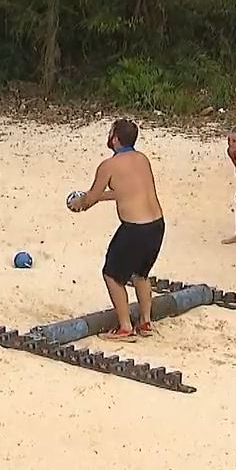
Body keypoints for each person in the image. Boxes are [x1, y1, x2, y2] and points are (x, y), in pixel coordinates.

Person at [69, 119, 165, 342]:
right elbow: (126, 191)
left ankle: (125, 328)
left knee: (111, 275)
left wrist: (79, 203)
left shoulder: (108, 166)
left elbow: (90, 199)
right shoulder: (142, 159)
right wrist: (96, 197)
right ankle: (145, 321)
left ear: (115, 138)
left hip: (134, 229)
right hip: (157, 225)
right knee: (141, 274)